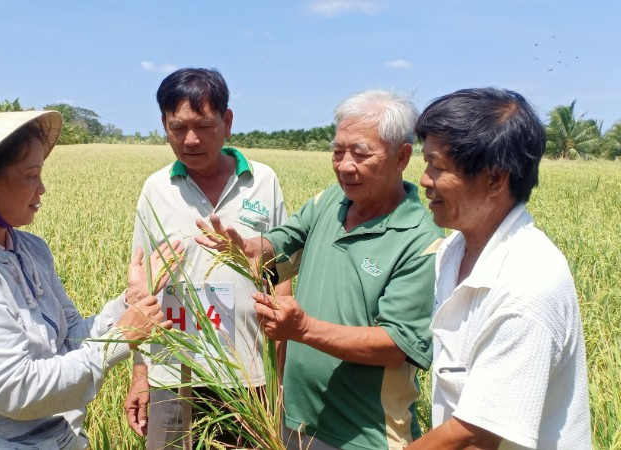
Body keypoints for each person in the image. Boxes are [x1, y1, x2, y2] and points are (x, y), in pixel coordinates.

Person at [0, 111, 183, 449]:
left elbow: (69, 342)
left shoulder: (29, 250)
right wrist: (121, 338)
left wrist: (129, 303)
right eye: (31, 175)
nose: (42, 189)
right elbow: (16, 391)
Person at [197, 90, 444, 449]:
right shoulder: (330, 201)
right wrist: (249, 249)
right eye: (338, 151)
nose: (345, 165)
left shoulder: (422, 242)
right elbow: (284, 241)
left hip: (365, 435)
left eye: (361, 154)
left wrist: (305, 330)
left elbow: (397, 344)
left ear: (402, 157)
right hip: (297, 422)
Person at [406, 88, 591, 449]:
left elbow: (476, 435)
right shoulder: (452, 250)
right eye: (425, 164)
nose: (425, 180)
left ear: (495, 179)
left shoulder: (528, 282)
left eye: (438, 166)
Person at [122, 67, 291, 449]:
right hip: (174, 371)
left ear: (227, 121)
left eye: (203, 125)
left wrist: (281, 372)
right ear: (163, 125)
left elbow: (282, 275)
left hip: (250, 374)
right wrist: (140, 373)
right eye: (177, 128)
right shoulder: (156, 189)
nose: (191, 140)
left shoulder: (263, 182)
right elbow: (140, 285)